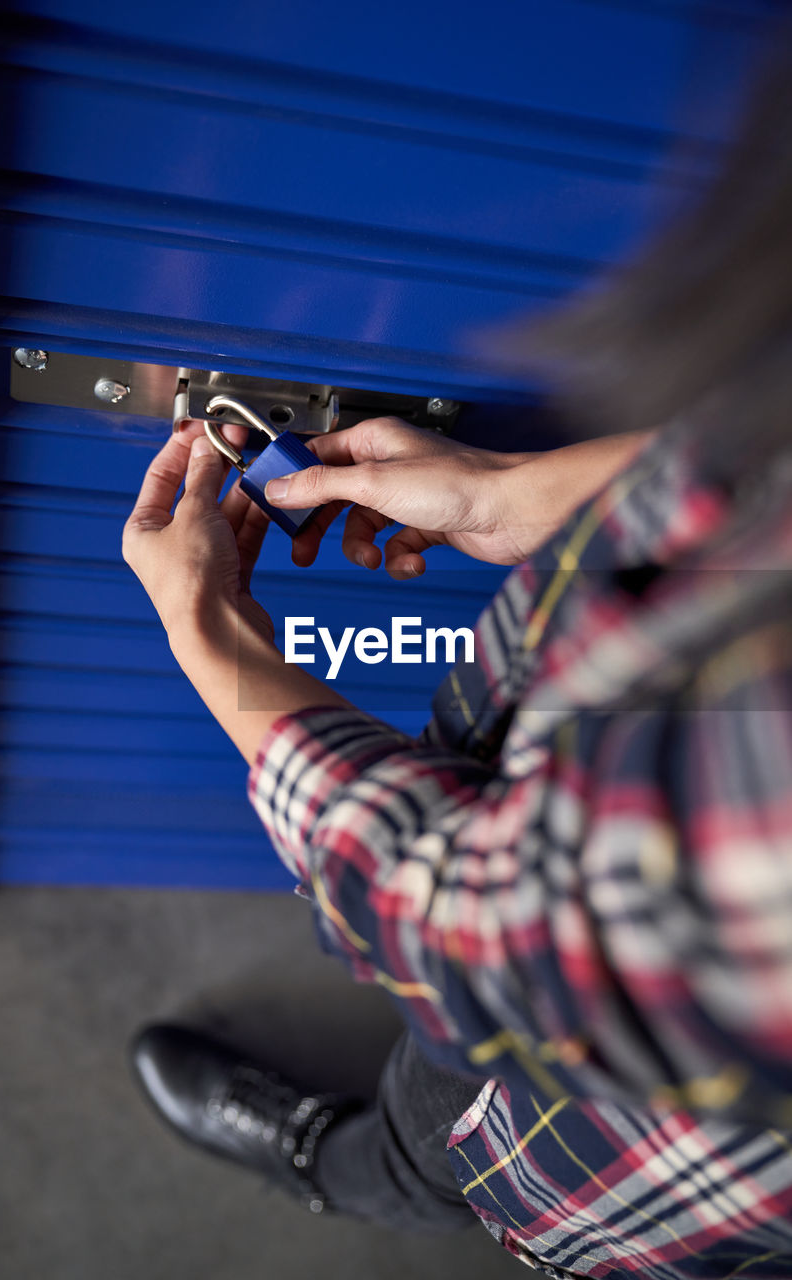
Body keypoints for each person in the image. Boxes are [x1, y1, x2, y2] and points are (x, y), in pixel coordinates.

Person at [122, 35, 792, 1278]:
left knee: (443, 1136)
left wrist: (208, 636)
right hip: (565, 829)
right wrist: (510, 499)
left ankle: (328, 1160)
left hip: (618, 1119)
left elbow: (472, 925)